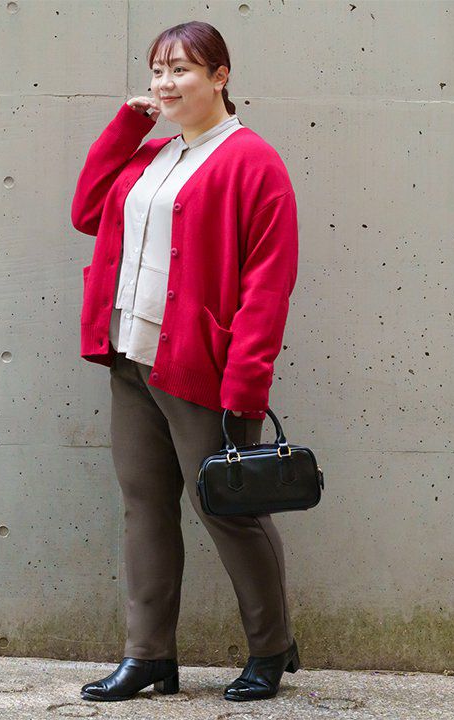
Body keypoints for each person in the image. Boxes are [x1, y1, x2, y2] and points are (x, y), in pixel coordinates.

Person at [71, 20, 300, 702]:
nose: (164, 84)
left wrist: (246, 384)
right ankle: (149, 657)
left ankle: (272, 648)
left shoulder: (252, 161)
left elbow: (268, 282)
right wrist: (126, 127)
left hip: (202, 370)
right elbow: (86, 210)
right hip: (131, 358)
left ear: (220, 76)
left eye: (181, 70)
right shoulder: (151, 155)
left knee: (229, 511)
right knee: (144, 509)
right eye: (157, 71)